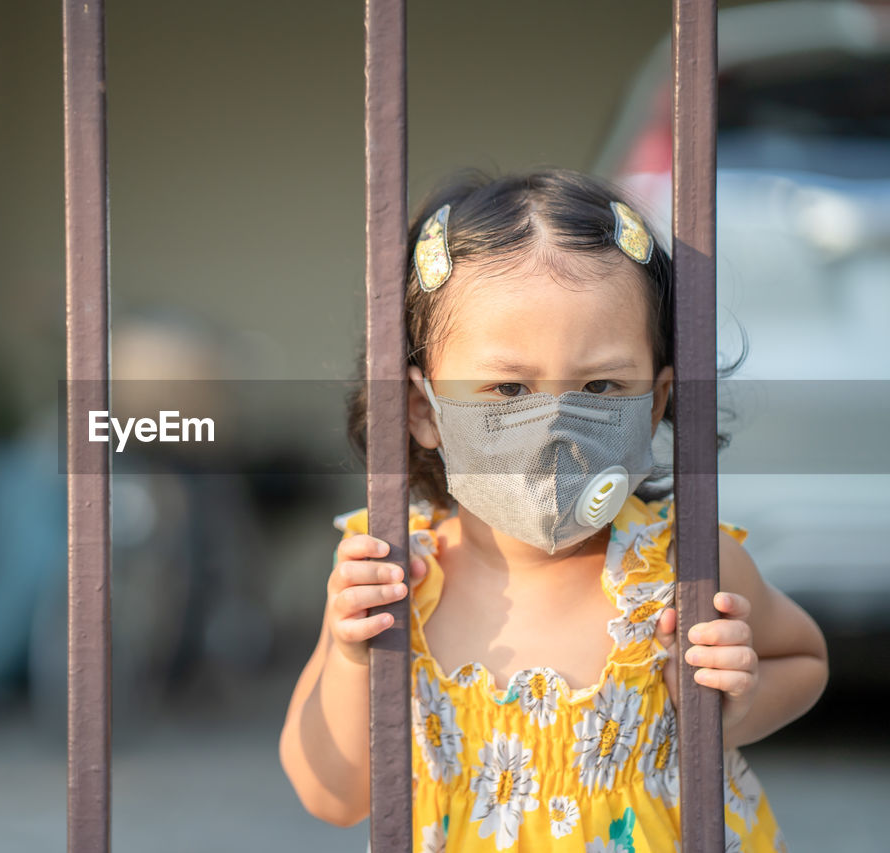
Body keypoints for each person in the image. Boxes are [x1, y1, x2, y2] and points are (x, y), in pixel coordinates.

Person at [278, 168, 828, 852]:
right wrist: (352, 656)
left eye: (601, 385)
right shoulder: (391, 578)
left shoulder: (684, 567)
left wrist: (731, 708)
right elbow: (333, 795)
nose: (557, 425)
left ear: (654, 403)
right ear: (424, 409)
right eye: (509, 388)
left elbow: (803, 657)